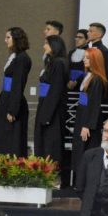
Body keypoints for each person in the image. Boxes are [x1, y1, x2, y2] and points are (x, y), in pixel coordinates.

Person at [0, 27, 32, 157]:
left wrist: (13, 109)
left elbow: (18, 84)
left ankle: (9, 165)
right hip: (6, 98)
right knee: (2, 135)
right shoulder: (15, 57)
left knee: (11, 137)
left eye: (8, 37)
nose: (5, 40)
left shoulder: (22, 58)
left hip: (12, 101)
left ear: (16, 38)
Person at [72, 48, 107, 174]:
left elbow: (94, 104)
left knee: (87, 150)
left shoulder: (97, 79)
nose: (84, 60)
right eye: (84, 57)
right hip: (82, 117)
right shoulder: (88, 76)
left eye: (87, 58)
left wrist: (87, 125)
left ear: (95, 60)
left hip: (88, 123)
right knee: (80, 150)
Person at [34, 34, 67, 164]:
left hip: (52, 111)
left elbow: (56, 90)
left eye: (46, 44)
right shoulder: (52, 62)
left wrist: (47, 115)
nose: (44, 46)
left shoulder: (59, 63)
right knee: (43, 141)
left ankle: (50, 171)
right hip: (45, 105)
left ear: (54, 46)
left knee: (50, 143)